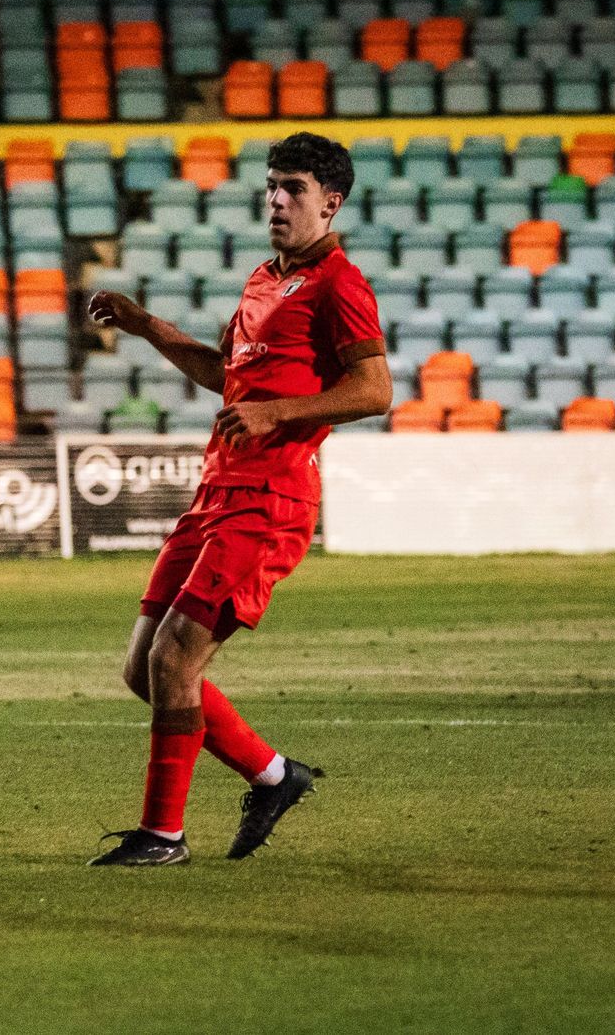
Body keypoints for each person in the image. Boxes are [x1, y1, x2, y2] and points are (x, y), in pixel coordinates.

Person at [85, 132, 392, 867]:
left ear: (331, 202)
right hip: (217, 490)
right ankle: (275, 776)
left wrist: (275, 413)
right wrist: (146, 326)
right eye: (272, 186)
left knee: (174, 659)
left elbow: (375, 390)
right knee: (144, 668)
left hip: (270, 498)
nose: (277, 200)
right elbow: (226, 375)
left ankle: (163, 835)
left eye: (293, 189)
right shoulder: (262, 279)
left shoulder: (339, 284)